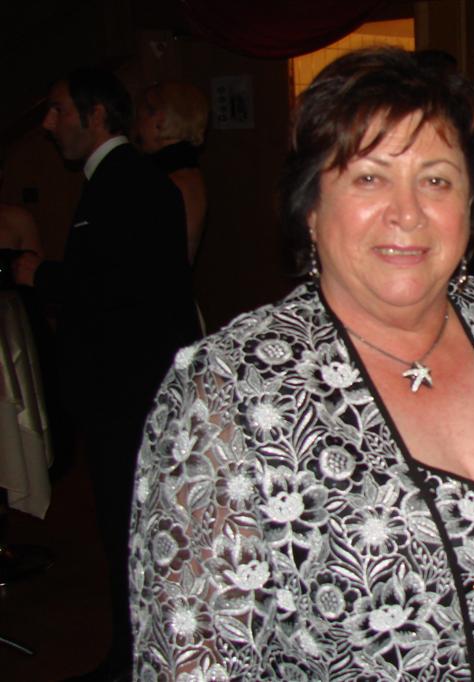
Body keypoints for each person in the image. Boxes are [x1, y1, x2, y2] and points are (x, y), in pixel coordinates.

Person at [128, 47, 474, 681]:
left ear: (473, 205)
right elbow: (192, 659)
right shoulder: (229, 389)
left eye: (436, 180)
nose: (407, 212)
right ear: (311, 206)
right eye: (368, 177)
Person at [14, 67, 200, 680]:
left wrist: (42, 275)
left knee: (131, 529)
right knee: (135, 528)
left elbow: (120, 288)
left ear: (96, 116)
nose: (49, 123)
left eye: (59, 110)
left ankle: (133, 659)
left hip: (127, 393)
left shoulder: (126, 182)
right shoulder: (129, 179)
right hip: (131, 388)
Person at [133, 80, 209, 264]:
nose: (137, 126)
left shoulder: (167, 180)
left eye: (141, 116)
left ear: (159, 120)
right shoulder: (186, 171)